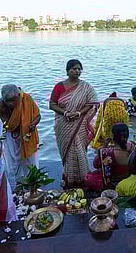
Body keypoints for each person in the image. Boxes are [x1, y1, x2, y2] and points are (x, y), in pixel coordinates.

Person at [49, 59, 98, 188]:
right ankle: (69, 178)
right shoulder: (59, 86)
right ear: (67, 71)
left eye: (79, 69)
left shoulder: (86, 87)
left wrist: (78, 113)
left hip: (79, 123)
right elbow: (52, 104)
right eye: (74, 69)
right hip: (63, 124)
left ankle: (82, 178)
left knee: (79, 149)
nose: (77, 71)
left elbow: (91, 104)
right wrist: (65, 112)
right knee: (68, 150)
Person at [0, 84, 41, 191]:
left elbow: (38, 116)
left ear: (18, 96)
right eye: (8, 101)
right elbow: (0, 124)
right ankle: (19, 182)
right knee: (14, 159)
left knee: (29, 159)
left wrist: (33, 124)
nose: (11, 103)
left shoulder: (26, 99)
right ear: (4, 100)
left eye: (13, 100)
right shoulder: (0, 105)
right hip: (11, 137)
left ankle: (32, 181)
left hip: (27, 136)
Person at [93, 123, 136, 188]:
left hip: (115, 183)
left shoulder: (107, 152)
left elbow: (95, 165)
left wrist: (104, 147)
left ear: (113, 136)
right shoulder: (132, 146)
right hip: (129, 178)